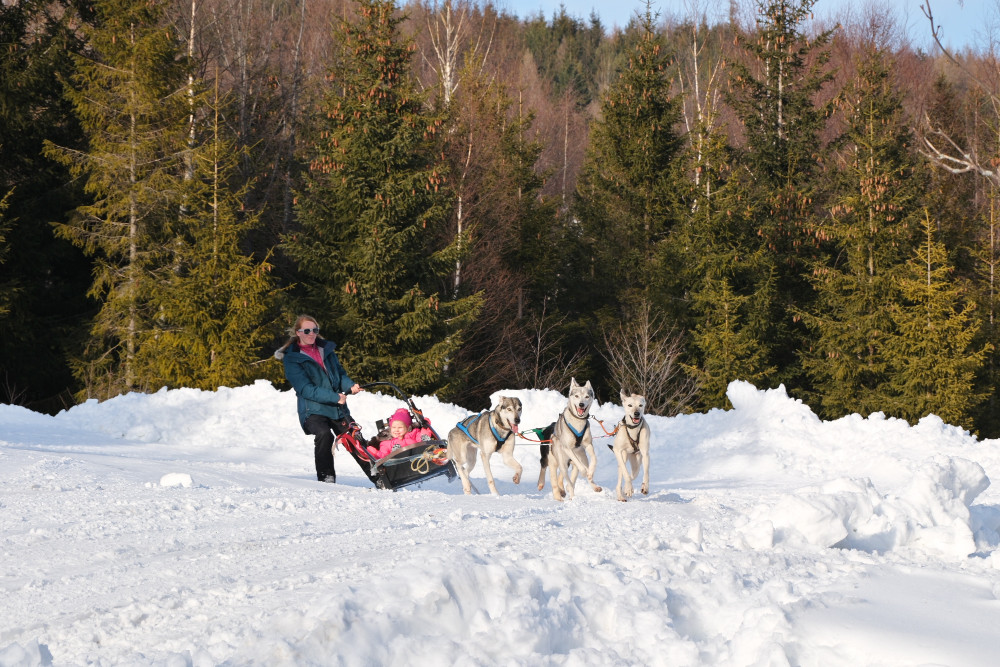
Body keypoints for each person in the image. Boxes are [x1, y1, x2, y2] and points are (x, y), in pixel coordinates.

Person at [277, 315, 361, 483]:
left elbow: (339, 374)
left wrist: (350, 386)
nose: (312, 334)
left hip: (336, 408)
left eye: (315, 330)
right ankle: (326, 477)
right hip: (312, 410)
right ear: (298, 332)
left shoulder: (326, 350)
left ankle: (379, 475)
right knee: (324, 434)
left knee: (355, 438)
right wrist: (335, 397)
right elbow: (305, 389)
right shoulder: (292, 358)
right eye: (307, 330)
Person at [366, 407, 434, 460]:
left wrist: (425, 428)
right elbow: (382, 456)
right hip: (398, 465)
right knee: (390, 456)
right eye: (394, 427)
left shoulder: (414, 433)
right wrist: (375, 453)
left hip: (417, 456)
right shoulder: (386, 442)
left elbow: (420, 437)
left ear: (408, 428)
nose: (396, 430)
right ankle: (395, 453)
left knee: (422, 441)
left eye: (400, 427)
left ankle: (398, 452)